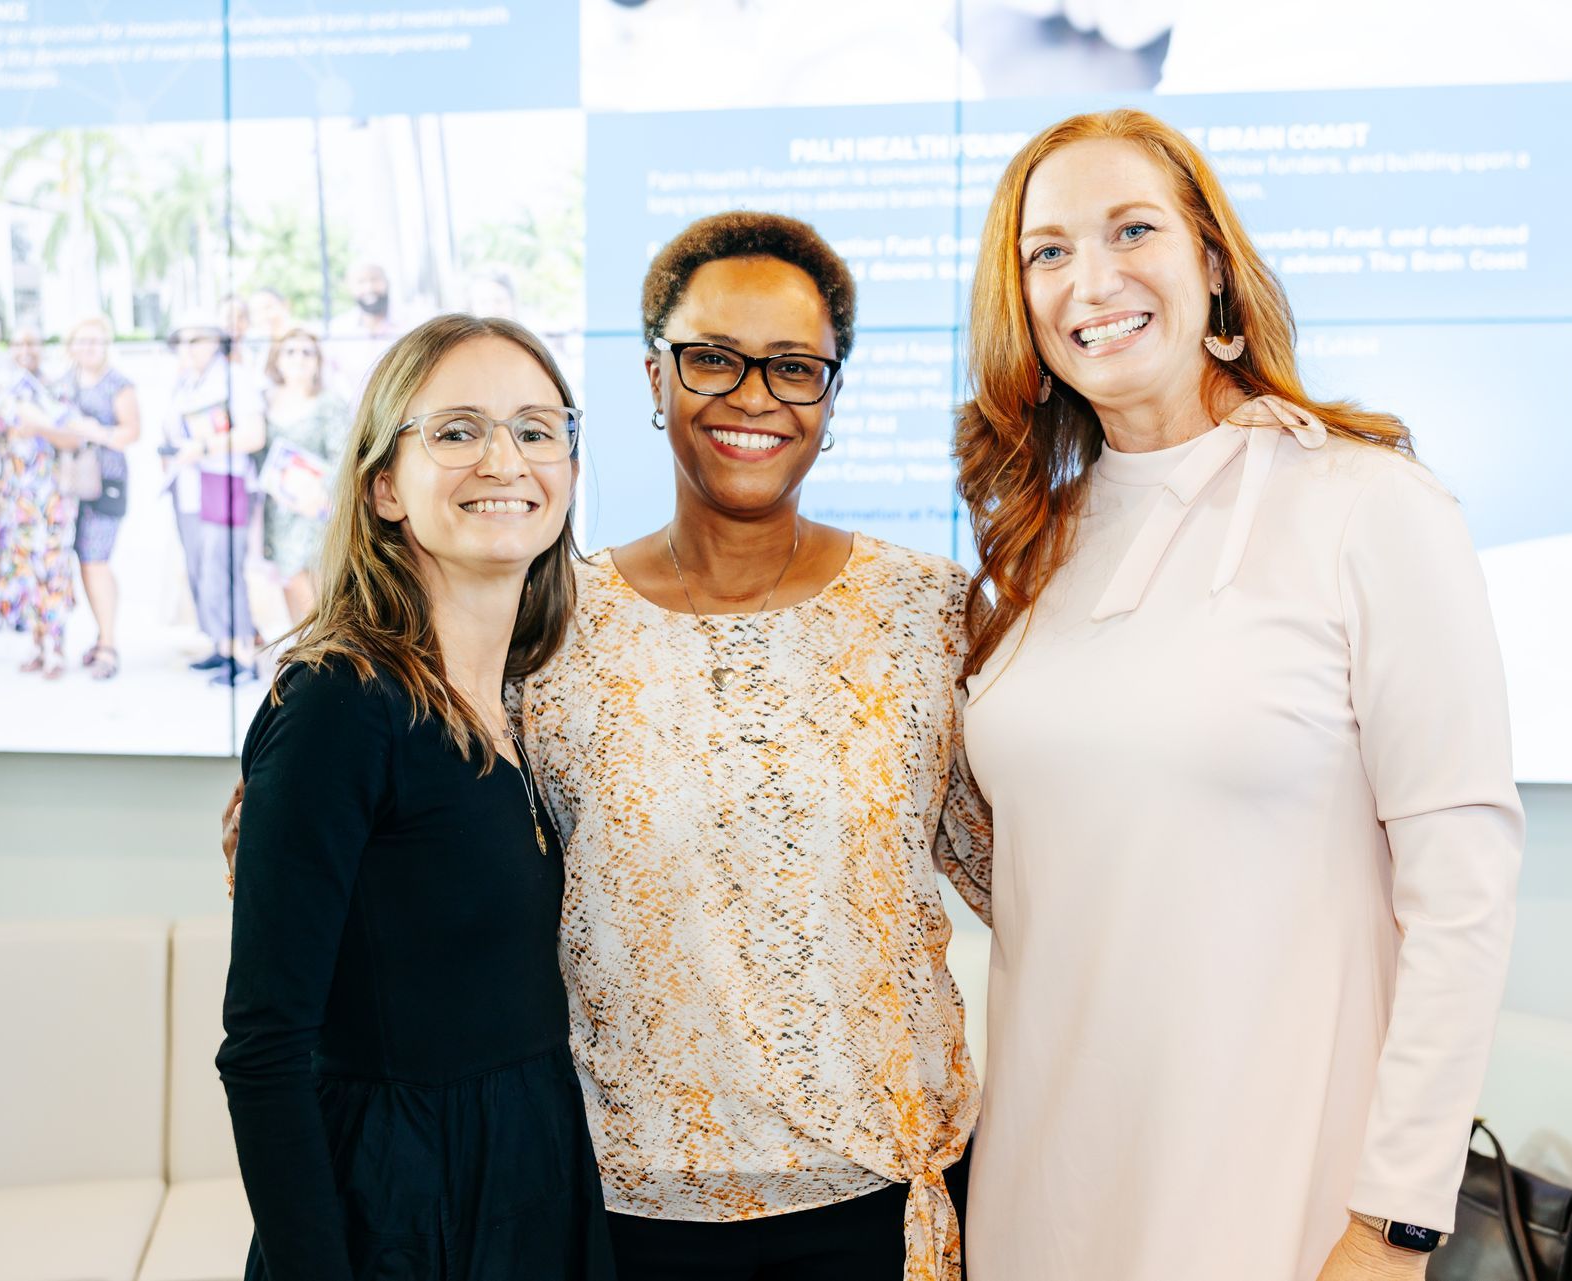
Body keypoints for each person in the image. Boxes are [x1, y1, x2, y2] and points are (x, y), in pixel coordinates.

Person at [226, 212, 994, 1281]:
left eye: (794, 367)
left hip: (883, 1197)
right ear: (654, 378)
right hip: (615, 1209)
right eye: (713, 358)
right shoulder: (556, 637)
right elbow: (323, 943)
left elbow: (1030, 877)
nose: (754, 396)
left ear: (832, 394)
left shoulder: (930, 613)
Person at [952, 108, 1524, 1281]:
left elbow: (1463, 889)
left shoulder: (1368, 506)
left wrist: (1395, 1223)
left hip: (1282, 1199)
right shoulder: (1034, 548)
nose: (1090, 281)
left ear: (1213, 262)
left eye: (1132, 230)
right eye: (1048, 251)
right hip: (1046, 1192)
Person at [218, 313, 614, 1281]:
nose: (504, 460)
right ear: (384, 486)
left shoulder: (519, 702)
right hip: (399, 1215)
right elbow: (264, 1051)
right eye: (457, 430)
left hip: (531, 1184)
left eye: (535, 429)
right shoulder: (338, 704)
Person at [165, 313, 263, 686]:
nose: (188, 349)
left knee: (222, 570)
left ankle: (244, 658)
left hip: (224, 482)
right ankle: (222, 647)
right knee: (200, 570)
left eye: (197, 340)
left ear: (216, 342)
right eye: (182, 342)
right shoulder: (185, 381)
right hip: (188, 486)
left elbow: (253, 434)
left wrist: (204, 447)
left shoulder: (235, 377)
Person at [0, 322, 82, 676]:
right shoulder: (3, 389)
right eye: (19, 343)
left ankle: (56, 647)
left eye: (33, 343)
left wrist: (40, 426)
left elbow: (73, 437)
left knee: (53, 569)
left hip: (52, 494)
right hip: (15, 496)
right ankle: (36, 643)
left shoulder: (58, 387)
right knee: (24, 570)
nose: (26, 350)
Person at [53, 315, 141, 680]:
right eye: (82, 340)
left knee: (96, 561)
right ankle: (100, 636)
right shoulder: (62, 383)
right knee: (81, 562)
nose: (89, 347)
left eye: (96, 340)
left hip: (107, 483)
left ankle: (108, 644)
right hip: (69, 484)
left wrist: (94, 432)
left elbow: (132, 432)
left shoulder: (118, 384)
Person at [259, 328, 351, 625]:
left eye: (307, 352)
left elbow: (344, 456)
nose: (298, 358)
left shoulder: (329, 403)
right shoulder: (264, 402)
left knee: (313, 587)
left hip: (317, 508)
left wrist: (318, 490)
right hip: (278, 509)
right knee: (288, 581)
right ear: (277, 360)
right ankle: (301, 647)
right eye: (290, 351)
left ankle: (324, 645)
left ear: (317, 362)